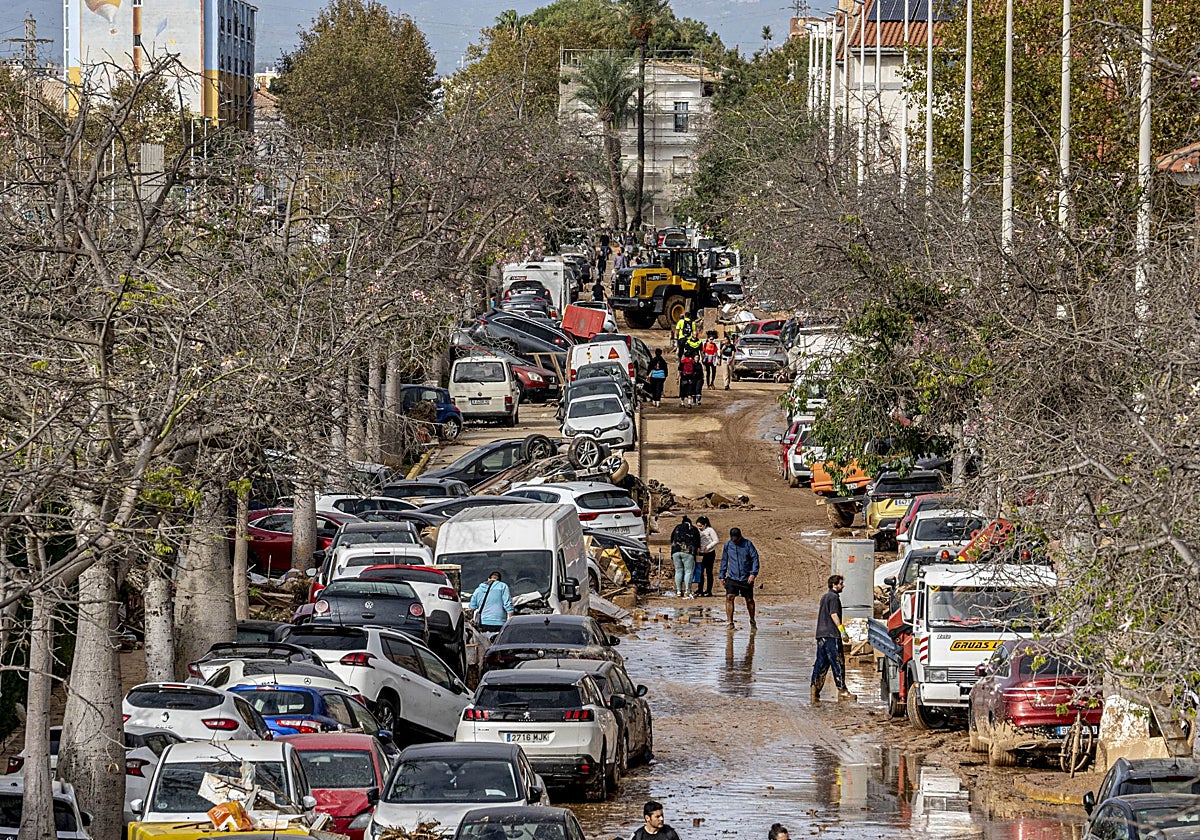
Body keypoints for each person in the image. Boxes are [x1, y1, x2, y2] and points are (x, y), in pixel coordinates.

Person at [811, 574, 856, 703]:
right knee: (838, 663)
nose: (843, 586)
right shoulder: (834, 597)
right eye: (841, 584)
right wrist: (842, 631)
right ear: (834, 585)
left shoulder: (824, 597)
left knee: (821, 664)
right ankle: (843, 691)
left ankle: (814, 690)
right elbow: (834, 614)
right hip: (832, 635)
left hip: (821, 635)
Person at [719, 527, 759, 630]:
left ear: (740, 536)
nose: (735, 541)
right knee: (729, 597)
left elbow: (755, 558)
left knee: (749, 600)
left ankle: (752, 620)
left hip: (746, 577)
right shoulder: (728, 545)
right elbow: (724, 560)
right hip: (732, 576)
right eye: (733, 539)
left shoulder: (748, 544)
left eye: (736, 539)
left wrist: (753, 574)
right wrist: (722, 574)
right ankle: (730, 622)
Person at [669, 516, 700, 598]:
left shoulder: (677, 528)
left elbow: (671, 539)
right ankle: (687, 591)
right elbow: (697, 542)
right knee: (688, 571)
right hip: (688, 552)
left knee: (678, 571)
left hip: (675, 551)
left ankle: (679, 591)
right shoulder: (693, 529)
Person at [695, 516, 719, 597]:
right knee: (700, 572)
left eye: (700, 526)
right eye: (698, 526)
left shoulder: (710, 530)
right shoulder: (697, 531)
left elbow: (716, 540)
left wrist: (708, 547)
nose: (699, 527)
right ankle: (700, 589)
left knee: (709, 572)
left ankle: (709, 590)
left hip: (709, 553)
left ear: (705, 524)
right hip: (700, 554)